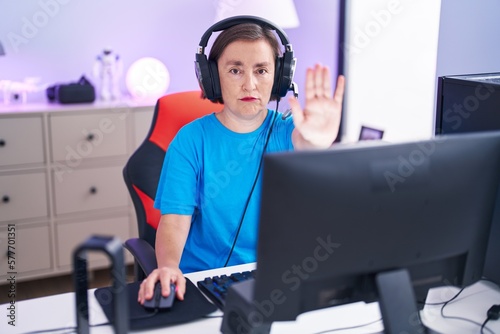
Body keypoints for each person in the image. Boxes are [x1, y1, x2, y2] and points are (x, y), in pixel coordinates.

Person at [137, 19, 345, 305]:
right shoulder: (191, 140)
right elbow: (174, 221)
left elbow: (308, 151)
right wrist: (169, 267)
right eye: (235, 70)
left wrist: (319, 142)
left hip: (274, 278)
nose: (250, 84)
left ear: (280, 77)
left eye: (261, 70)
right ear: (212, 77)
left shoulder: (289, 132)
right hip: (203, 282)